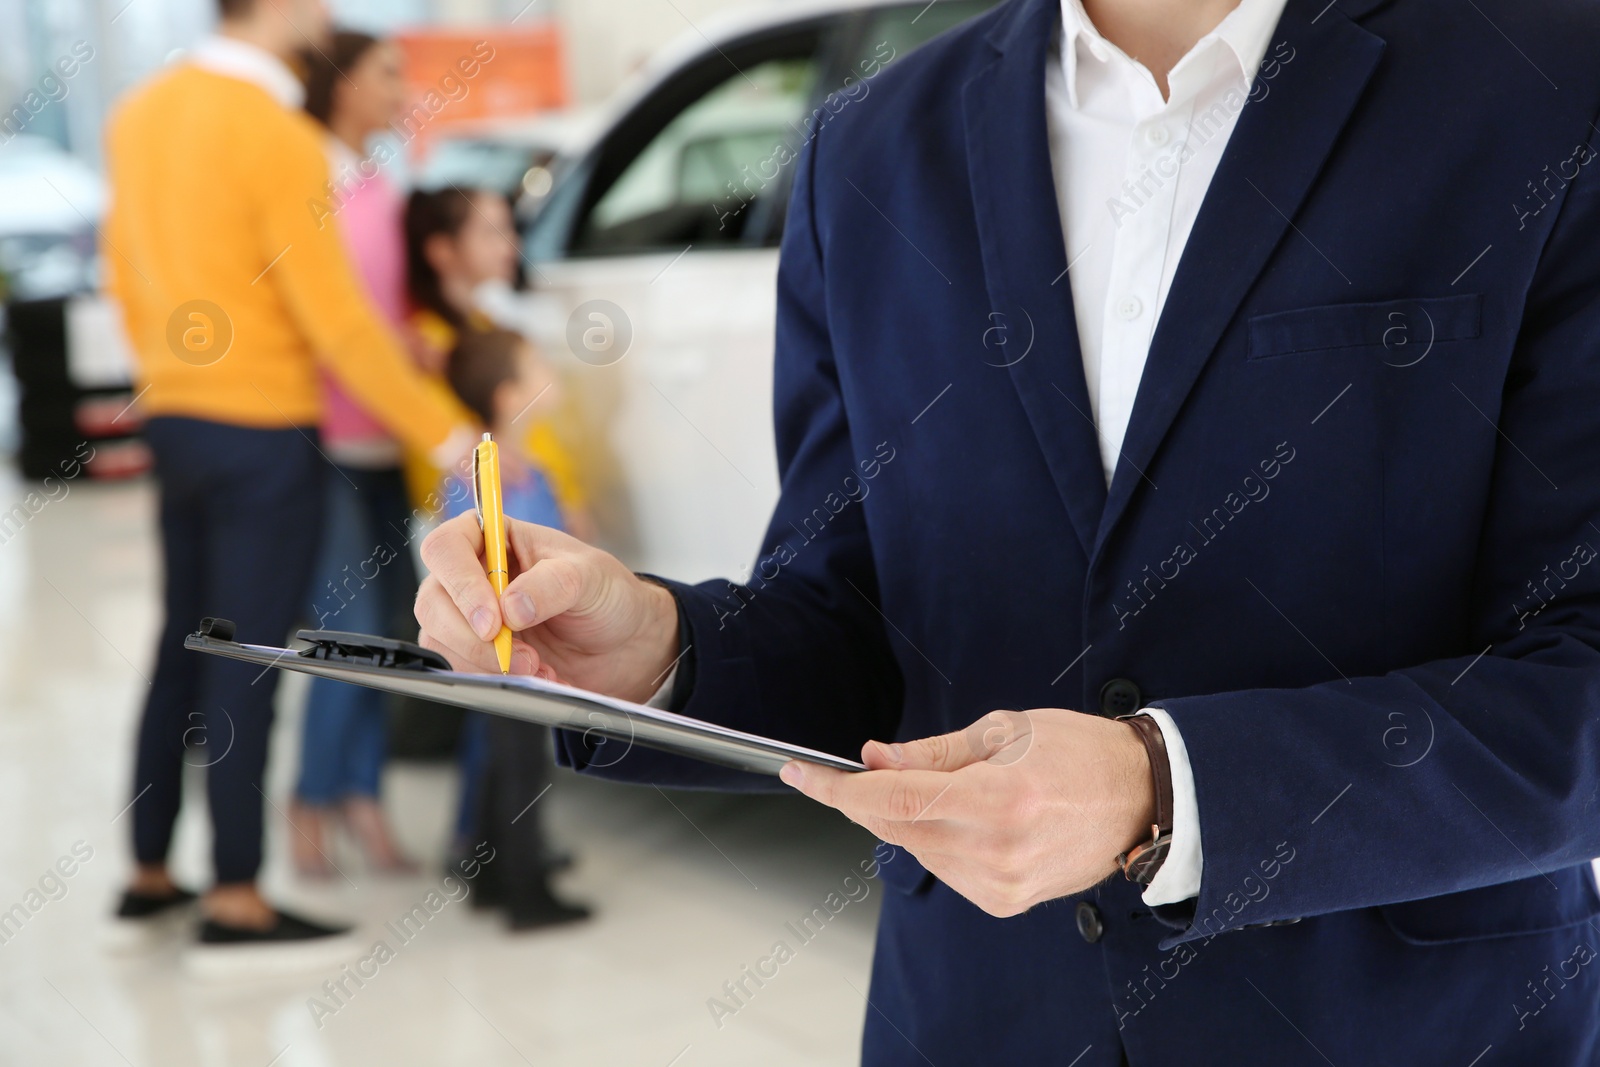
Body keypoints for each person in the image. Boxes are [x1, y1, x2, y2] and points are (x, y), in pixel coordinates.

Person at [414, 0, 1600, 1061]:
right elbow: (859, 616)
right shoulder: (870, 145)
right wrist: (661, 653)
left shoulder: (1548, 81)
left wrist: (1170, 791)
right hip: (973, 1014)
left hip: (1410, 1019)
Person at [102, 0, 475, 974]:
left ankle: (148, 872)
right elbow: (337, 321)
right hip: (264, 424)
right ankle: (236, 894)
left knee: (180, 637)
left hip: (176, 414)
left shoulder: (139, 113)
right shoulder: (275, 132)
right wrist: (448, 431)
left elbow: (124, 271)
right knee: (246, 654)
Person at [286, 30, 420, 879]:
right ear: (341, 86)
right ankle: (309, 796)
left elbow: (389, 310)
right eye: (388, 72)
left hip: (385, 440)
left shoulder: (377, 180)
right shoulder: (304, 173)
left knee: (396, 639)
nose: (404, 87)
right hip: (320, 440)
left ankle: (362, 794)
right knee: (351, 632)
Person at [438, 328, 590, 930]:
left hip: (530, 646)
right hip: (507, 649)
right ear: (507, 397)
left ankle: (492, 877)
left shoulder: (532, 472)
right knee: (520, 761)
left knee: (507, 758)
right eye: (536, 367)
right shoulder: (481, 478)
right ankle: (527, 895)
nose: (549, 372)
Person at [402, 188, 591, 538]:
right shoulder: (428, 347)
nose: (511, 244)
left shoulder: (484, 327)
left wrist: (567, 496)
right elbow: (442, 475)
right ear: (442, 251)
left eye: (509, 229)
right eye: (492, 233)